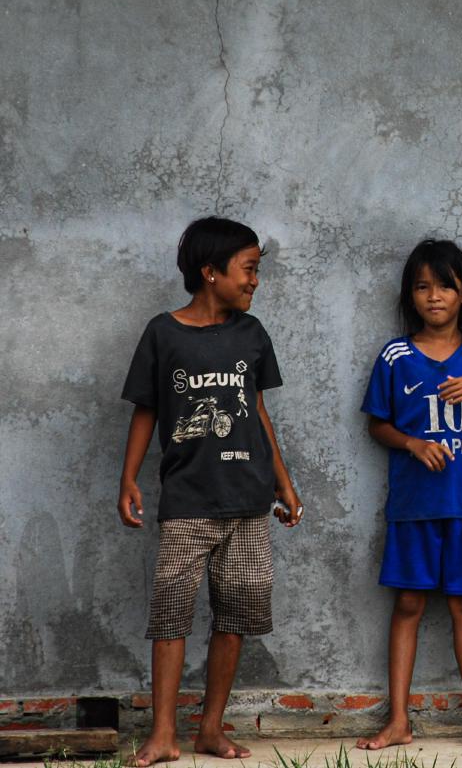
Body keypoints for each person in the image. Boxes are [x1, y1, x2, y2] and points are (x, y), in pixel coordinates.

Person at [117, 217, 303, 766]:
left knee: (236, 616)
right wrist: (127, 477)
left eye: (256, 271)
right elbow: (146, 408)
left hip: (248, 502)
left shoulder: (252, 335)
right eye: (248, 270)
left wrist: (284, 484)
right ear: (210, 272)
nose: (255, 282)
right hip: (188, 502)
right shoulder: (163, 333)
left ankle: (211, 728)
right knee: (171, 614)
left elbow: (260, 415)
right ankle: (163, 734)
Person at [356, 238, 462, 753]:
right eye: (422, 286)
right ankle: (399, 720)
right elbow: (376, 424)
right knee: (407, 604)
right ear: (410, 296)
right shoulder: (396, 355)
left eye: (445, 285)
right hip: (412, 506)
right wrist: (412, 443)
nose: (434, 296)